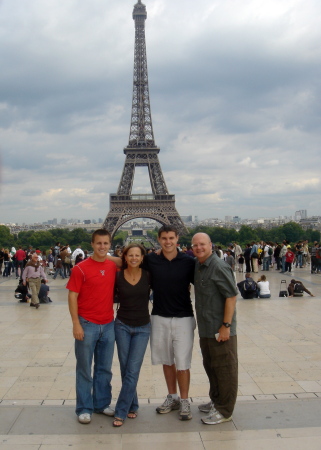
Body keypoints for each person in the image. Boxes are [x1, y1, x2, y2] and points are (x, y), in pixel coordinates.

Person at [66, 229, 117, 424]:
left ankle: (101, 404)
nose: (102, 247)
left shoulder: (113, 266)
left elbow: (131, 260)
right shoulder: (80, 268)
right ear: (92, 244)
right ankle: (84, 407)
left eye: (105, 243)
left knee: (104, 369)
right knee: (84, 369)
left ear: (109, 245)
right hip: (87, 324)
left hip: (108, 324)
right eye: (99, 243)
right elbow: (72, 296)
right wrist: (76, 324)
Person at [146, 225, 195, 421]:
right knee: (167, 361)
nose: (168, 242)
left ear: (177, 239)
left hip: (183, 317)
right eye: (164, 238)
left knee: (183, 363)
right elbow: (127, 261)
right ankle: (173, 396)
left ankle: (184, 399)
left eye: (171, 238)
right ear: (159, 240)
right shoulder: (151, 260)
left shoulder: (189, 262)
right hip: (159, 316)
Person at [191, 232, 238, 425]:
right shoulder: (199, 265)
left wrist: (226, 325)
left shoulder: (219, 266)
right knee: (211, 366)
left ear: (211, 245)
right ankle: (217, 400)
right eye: (195, 245)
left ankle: (225, 410)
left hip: (220, 329)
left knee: (225, 368)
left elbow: (231, 296)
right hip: (206, 327)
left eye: (202, 244)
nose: (199, 248)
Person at [113, 244, 151, 427]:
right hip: (122, 326)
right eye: (131, 255)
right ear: (125, 257)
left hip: (143, 327)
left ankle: (121, 410)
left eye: (137, 255)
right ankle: (133, 404)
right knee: (125, 368)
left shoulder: (150, 275)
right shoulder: (118, 276)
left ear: (142, 257)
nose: (134, 258)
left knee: (132, 370)